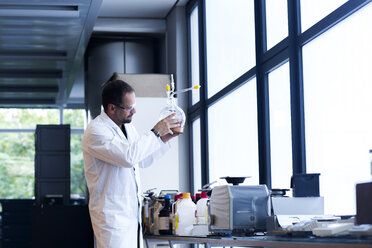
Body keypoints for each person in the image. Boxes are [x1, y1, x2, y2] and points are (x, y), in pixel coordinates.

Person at [82, 79, 181, 248]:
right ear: (112, 108)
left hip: (131, 217)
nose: (134, 111)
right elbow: (127, 157)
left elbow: (141, 160)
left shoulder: (128, 128)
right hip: (112, 219)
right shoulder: (96, 131)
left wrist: (163, 139)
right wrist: (155, 132)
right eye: (129, 107)